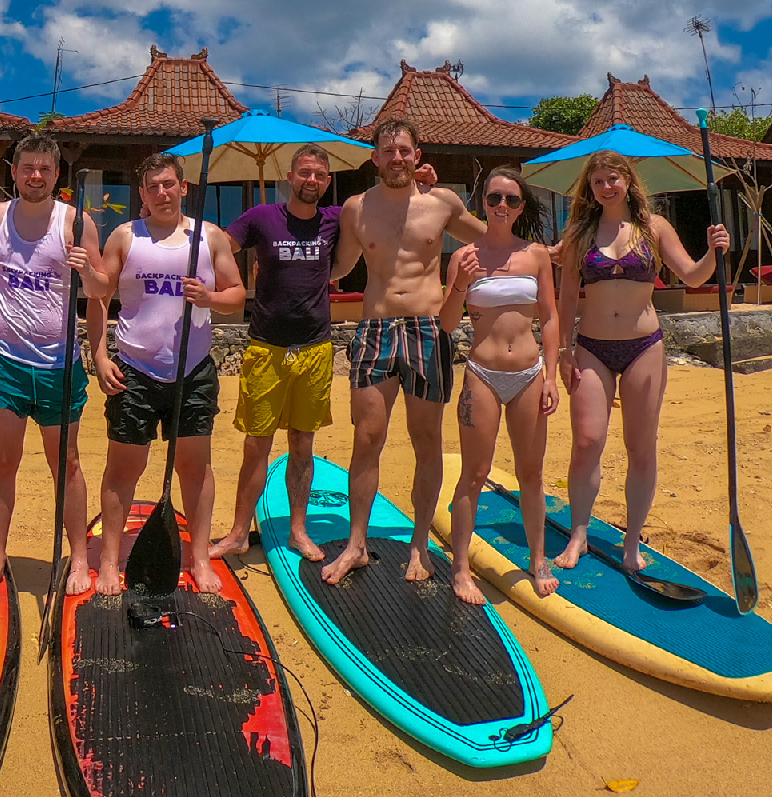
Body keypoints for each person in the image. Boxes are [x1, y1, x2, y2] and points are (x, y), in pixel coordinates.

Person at [320, 119, 488, 585]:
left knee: (427, 440)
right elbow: (338, 266)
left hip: (428, 330)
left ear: (417, 155)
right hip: (375, 329)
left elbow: (491, 239)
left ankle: (418, 544)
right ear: (374, 158)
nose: (397, 157)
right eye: (388, 151)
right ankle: (356, 543)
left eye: (404, 150)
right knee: (367, 440)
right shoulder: (356, 208)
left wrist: (548, 253)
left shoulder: (443, 203)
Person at [553, 150, 727, 573]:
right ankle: (579, 534)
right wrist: (560, 351)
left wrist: (713, 251)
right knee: (587, 441)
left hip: (643, 347)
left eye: (613, 178)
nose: (607, 186)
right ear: (590, 189)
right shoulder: (579, 232)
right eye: (598, 182)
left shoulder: (654, 228)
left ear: (628, 181)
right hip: (592, 348)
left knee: (640, 447)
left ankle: (632, 542)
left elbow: (692, 275)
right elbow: (565, 297)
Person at [91, 153, 247, 595]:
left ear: (183, 188)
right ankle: (107, 561)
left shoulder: (210, 237)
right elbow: (99, 297)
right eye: (153, 186)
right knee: (124, 468)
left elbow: (237, 294)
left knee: (194, 469)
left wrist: (209, 298)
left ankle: (198, 558)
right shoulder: (124, 237)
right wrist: (100, 357)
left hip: (192, 370)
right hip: (135, 370)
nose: (162, 192)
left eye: (169, 184)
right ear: (142, 194)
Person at [0, 133, 111, 596]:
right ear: (13, 172)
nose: (35, 176)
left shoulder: (76, 223)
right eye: (27, 167)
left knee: (67, 464)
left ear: (58, 175)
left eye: (45, 169)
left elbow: (100, 293)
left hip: (59, 365)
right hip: (5, 360)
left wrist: (88, 272)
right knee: (1, 462)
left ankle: (77, 557)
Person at [210, 144, 354, 561]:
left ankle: (297, 530)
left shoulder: (335, 219)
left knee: (303, 443)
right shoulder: (261, 217)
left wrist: (422, 185)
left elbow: (379, 217)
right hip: (267, 347)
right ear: (289, 177)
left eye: (320, 175)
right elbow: (218, 247)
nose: (312, 181)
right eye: (305, 173)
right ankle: (238, 532)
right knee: (257, 443)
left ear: (327, 182)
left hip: (314, 347)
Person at [437, 169, 561, 603]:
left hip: (530, 374)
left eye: (510, 199)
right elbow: (447, 324)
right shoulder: (464, 257)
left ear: (521, 206)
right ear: (482, 204)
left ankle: (538, 559)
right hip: (482, 375)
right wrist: (461, 284)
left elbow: (549, 316)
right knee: (474, 473)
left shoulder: (537, 255)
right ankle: (460, 567)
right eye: (493, 199)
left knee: (531, 473)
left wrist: (552, 375)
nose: (501, 206)